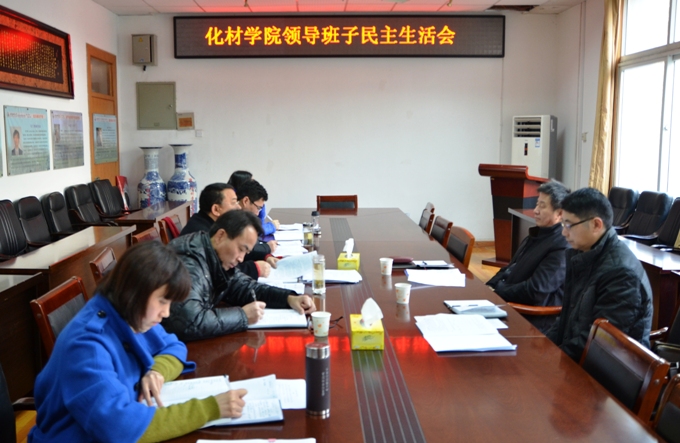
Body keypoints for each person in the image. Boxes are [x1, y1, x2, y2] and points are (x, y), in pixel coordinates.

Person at [29, 241, 248, 443]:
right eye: (162, 301)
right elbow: (120, 428)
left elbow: (174, 346)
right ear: (135, 291)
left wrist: (157, 371)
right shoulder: (87, 347)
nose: (166, 313)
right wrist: (210, 409)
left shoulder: (128, 313)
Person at [164, 210, 315, 341]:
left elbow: (244, 287)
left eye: (246, 252)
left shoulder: (213, 254)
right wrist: (243, 315)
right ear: (221, 236)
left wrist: (289, 298)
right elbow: (189, 322)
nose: (241, 259)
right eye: (241, 249)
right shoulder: (189, 262)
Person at [546, 187, 653, 361]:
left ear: (596, 224)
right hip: (578, 358)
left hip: (607, 370)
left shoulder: (621, 274)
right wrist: (543, 346)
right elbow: (567, 320)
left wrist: (552, 358)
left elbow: (601, 343)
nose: (564, 232)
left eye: (569, 225)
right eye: (563, 224)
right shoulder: (585, 254)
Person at [486, 180, 570, 333]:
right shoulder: (536, 234)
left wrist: (498, 291)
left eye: (542, 206)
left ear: (559, 213)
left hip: (530, 319)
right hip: (509, 304)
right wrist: (489, 286)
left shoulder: (562, 246)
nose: (536, 211)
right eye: (537, 204)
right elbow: (510, 268)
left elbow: (536, 290)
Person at [180, 183, 275, 279]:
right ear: (216, 209)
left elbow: (236, 250)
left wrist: (265, 256)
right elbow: (218, 272)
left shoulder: (211, 223)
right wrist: (254, 269)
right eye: (233, 203)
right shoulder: (201, 234)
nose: (239, 207)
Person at [236, 179, 279, 263]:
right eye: (258, 208)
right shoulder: (233, 219)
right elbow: (243, 250)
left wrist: (266, 255)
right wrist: (266, 248)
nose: (258, 213)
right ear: (245, 201)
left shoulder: (244, 216)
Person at [228, 170, 279, 236]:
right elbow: (252, 231)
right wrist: (271, 226)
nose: (255, 184)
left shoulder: (249, 202)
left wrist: (260, 207)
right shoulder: (232, 211)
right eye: (252, 182)